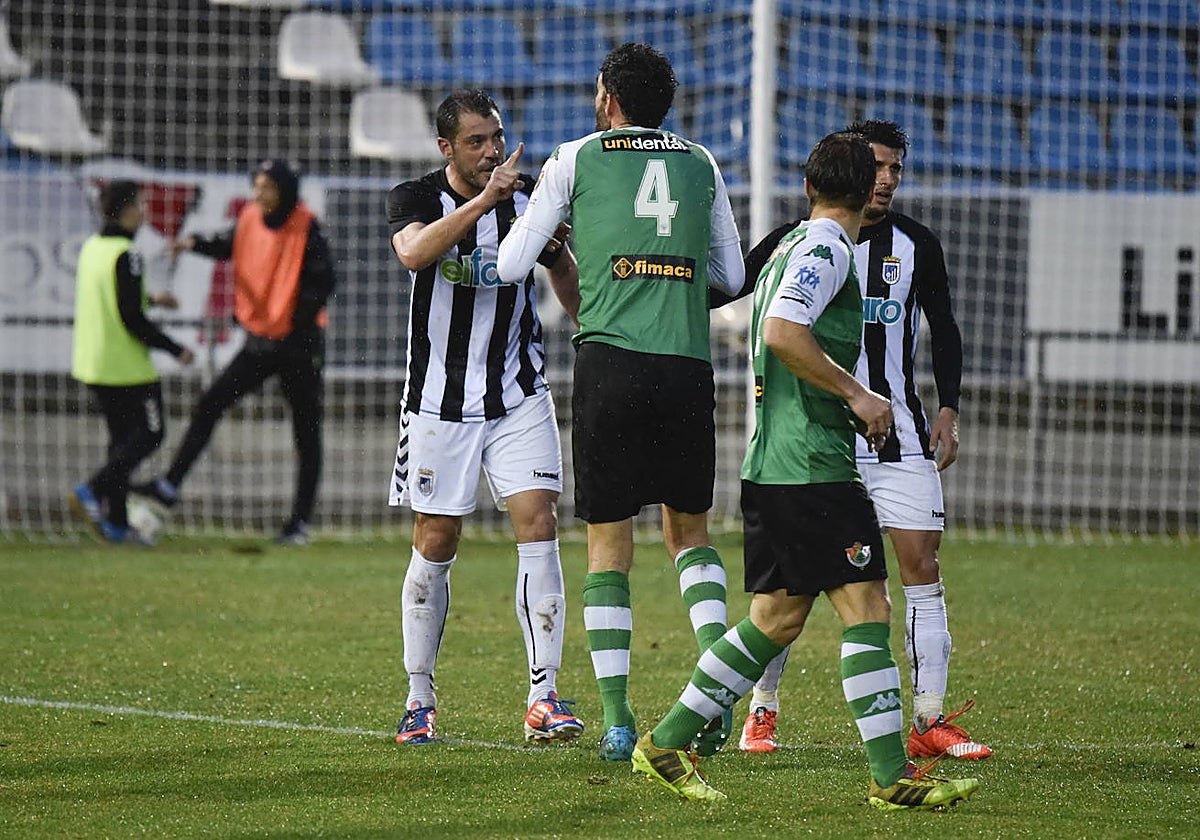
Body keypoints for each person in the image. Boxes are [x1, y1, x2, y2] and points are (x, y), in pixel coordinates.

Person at [630, 131, 980, 810]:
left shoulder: (792, 243)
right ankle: (890, 777)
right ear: (865, 188)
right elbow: (783, 332)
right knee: (867, 608)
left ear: (810, 185)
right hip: (812, 465)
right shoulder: (827, 247)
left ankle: (666, 742)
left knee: (776, 620)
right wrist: (859, 395)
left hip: (777, 463)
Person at [497, 43, 749, 762]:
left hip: (609, 365)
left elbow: (512, 264)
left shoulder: (574, 157)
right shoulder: (701, 162)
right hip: (685, 365)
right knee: (690, 535)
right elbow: (731, 277)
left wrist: (561, 242)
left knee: (609, 544)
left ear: (607, 96)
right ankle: (716, 697)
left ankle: (616, 718)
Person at [737, 120, 990, 762]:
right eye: (876, 166)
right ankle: (762, 708)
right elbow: (732, 291)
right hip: (822, 440)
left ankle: (929, 718)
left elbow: (945, 328)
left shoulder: (917, 244)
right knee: (791, 588)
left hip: (898, 435)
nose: (886, 179)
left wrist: (949, 408)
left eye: (896, 168)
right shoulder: (799, 243)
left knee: (922, 566)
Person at [386, 90, 584, 746]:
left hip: (519, 394)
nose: (492, 151)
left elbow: (562, 270)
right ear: (446, 147)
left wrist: (585, 317)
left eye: (496, 137)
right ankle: (419, 698)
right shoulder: (415, 197)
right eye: (476, 141)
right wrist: (484, 203)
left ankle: (543, 697)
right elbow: (414, 254)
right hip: (439, 402)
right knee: (436, 538)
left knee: (540, 523)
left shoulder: (529, 201)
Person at [133, 159, 335, 545]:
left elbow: (324, 283)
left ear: (286, 191)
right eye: (257, 187)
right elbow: (229, 242)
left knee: (306, 431)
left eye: (268, 188)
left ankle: (299, 523)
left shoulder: (308, 229)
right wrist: (194, 243)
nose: (260, 194)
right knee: (210, 403)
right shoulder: (249, 218)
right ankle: (169, 486)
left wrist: (292, 320)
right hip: (261, 342)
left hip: (299, 346)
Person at [68, 180, 195, 544]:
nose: (144, 212)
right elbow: (131, 318)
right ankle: (92, 490)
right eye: (140, 205)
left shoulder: (93, 247)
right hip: (126, 367)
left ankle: (117, 525)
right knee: (151, 433)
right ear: (126, 211)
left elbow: (115, 298)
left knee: (121, 442)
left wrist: (153, 299)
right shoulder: (129, 254)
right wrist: (175, 348)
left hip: (93, 363)